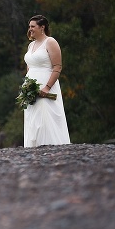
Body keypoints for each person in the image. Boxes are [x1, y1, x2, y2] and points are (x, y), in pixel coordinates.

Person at [24, 15, 71, 147]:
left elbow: (57, 67)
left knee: (46, 117)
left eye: (33, 26)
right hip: (31, 88)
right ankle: (34, 148)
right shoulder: (31, 45)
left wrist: (47, 87)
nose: (30, 29)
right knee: (33, 117)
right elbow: (29, 67)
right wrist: (27, 87)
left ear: (42, 27)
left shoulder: (50, 42)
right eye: (29, 26)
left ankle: (51, 148)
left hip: (46, 84)